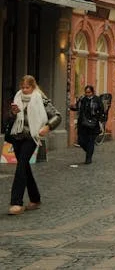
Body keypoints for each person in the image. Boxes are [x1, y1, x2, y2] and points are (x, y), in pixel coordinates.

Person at [6, 75, 61, 215]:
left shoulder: (40, 98)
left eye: (27, 87)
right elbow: (12, 119)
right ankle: (35, 198)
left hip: (32, 136)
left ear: (33, 86)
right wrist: (13, 113)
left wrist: (47, 127)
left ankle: (16, 202)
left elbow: (57, 116)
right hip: (17, 136)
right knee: (24, 168)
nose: (24, 90)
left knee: (21, 167)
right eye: (22, 87)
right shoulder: (17, 97)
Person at [70, 85, 106, 165]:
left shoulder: (97, 100)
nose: (87, 94)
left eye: (89, 92)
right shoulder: (82, 99)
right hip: (82, 124)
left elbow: (101, 111)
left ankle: (88, 158)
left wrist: (100, 120)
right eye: (86, 92)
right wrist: (72, 107)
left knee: (90, 141)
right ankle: (89, 152)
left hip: (93, 124)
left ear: (92, 92)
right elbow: (77, 107)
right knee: (81, 141)